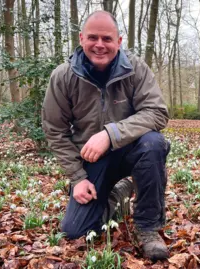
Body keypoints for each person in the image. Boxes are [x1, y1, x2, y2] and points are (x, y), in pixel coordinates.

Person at [41, 10, 171, 261]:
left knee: (154, 143)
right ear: (81, 39)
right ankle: (118, 193)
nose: (99, 45)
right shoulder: (63, 76)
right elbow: (54, 130)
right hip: (92, 160)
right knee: (75, 231)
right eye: (93, 38)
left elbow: (157, 113)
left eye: (107, 39)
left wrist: (110, 134)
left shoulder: (136, 69)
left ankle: (147, 227)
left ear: (119, 41)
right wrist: (77, 178)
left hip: (133, 151)